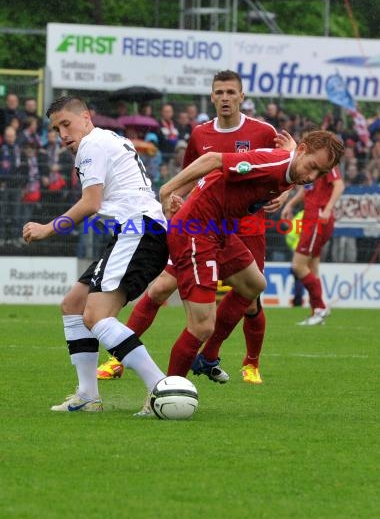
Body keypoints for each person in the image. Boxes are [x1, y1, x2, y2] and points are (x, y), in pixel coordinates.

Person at [97, 70, 285, 386]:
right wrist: (174, 198)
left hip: (247, 226)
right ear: (212, 97)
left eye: (230, 92)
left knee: (250, 296)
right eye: (219, 92)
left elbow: (285, 167)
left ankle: (235, 359)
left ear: (242, 97)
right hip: (204, 225)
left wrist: (282, 195)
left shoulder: (264, 131)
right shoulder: (200, 135)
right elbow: (190, 175)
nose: (225, 98)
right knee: (159, 288)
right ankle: (118, 357)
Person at [22, 96, 169, 412]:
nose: (62, 134)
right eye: (56, 128)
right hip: (136, 231)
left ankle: (162, 388)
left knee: (96, 316)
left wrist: (47, 228)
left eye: (66, 124)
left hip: (138, 230)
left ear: (86, 117)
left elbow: (90, 202)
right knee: (73, 304)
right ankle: (88, 396)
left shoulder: (91, 144)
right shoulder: (107, 138)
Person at [159, 130, 344, 378]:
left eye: (320, 173)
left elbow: (288, 160)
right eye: (312, 167)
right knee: (201, 325)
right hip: (196, 230)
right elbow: (213, 159)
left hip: (219, 231)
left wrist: (291, 153)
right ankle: (166, 391)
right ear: (301, 151)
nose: (311, 177)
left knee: (254, 284)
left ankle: (207, 356)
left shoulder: (292, 165)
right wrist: (168, 189)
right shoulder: (274, 165)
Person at [281, 166, 345, 325]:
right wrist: (290, 204)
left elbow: (339, 185)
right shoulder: (313, 165)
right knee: (312, 267)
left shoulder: (328, 162)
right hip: (311, 219)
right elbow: (306, 190)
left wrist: (328, 209)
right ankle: (316, 314)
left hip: (318, 219)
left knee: (298, 266)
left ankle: (320, 308)